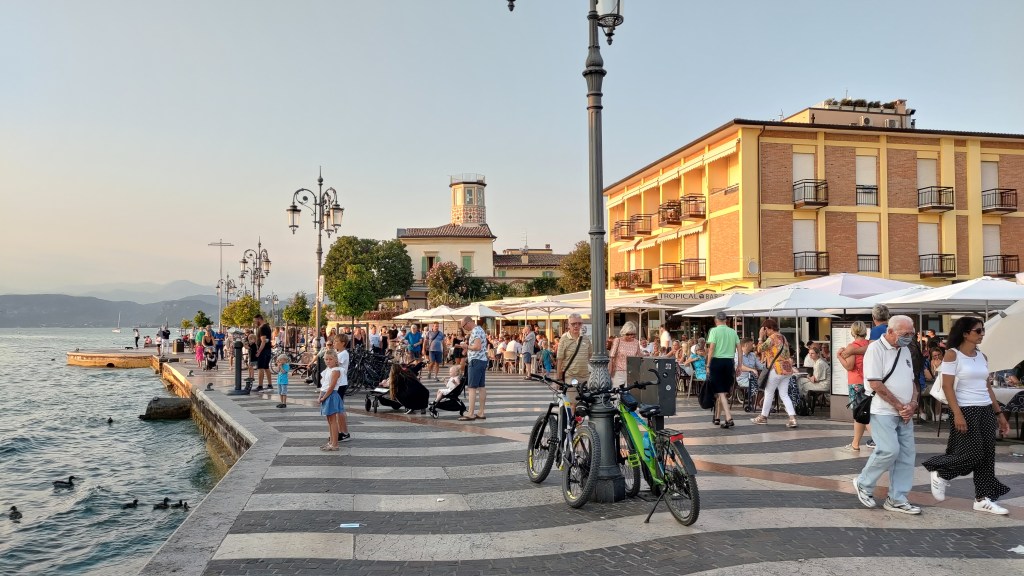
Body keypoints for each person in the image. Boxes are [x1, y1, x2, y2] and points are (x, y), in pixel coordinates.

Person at [923, 317, 1011, 515]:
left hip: (985, 409)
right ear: (965, 333)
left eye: (982, 331)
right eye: (978, 331)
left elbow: (987, 386)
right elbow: (947, 386)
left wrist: (999, 414)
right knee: (973, 453)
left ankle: (983, 498)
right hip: (966, 409)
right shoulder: (952, 355)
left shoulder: (982, 356)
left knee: (987, 455)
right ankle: (941, 473)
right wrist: (957, 414)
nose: (982, 334)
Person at [852, 315, 922, 515]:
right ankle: (864, 483)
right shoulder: (875, 349)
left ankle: (897, 498)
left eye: (911, 333)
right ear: (889, 332)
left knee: (907, 455)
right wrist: (900, 405)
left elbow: (912, 381)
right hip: (883, 410)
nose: (909, 337)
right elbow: (875, 383)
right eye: (904, 334)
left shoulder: (906, 350)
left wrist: (913, 403)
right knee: (889, 450)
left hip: (904, 412)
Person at [751, 319, 798, 428]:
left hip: (776, 369)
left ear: (767, 328)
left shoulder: (772, 338)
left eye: (765, 330)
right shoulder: (783, 337)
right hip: (787, 369)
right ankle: (792, 418)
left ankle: (763, 417)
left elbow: (759, 349)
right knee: (784, 394)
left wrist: (760, 337)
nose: (765, 332)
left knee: (769, 392)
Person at [838, 321, 873, 452]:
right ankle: (855, 443)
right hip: (868, 380)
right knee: (863, 412)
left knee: (861, 412)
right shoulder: (869, 344)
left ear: (852, 332)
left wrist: (838, 356)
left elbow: (849, 365)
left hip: (856, 382)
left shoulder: (852, 346)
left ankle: (877, 440)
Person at [706, 311, 740, 428]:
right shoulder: (733, 331)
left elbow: (711, 349)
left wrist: (708, 365)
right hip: (729, 362)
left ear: (716, 320)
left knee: (720, 392)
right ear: (726, 320)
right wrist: (739, 365)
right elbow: (739, 350)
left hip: (717, 361)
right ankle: (717, 417)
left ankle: (729, 417)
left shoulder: (714, 331)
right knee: (723, 392)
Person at [557, 313, 593, 405]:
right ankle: (572, 419)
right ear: (568, 325)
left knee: (588, 404)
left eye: (579, 323)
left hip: (585, 376)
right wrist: (558, 379)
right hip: (571, 376)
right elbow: (560, 359)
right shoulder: (564, 338)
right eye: (573, 324)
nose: (576, 326)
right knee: (573, 403)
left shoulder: (586, 339)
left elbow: (590, 357)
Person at [459, 316, 488, 421]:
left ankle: (471, 413)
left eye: (463, 326)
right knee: (481, 387)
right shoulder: (480, 329)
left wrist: (466, 346)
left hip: (476, 360)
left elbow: (477, 347)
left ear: (467, 323)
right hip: (482, 360)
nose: (464, 328)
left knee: (472, 387)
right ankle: (481, 412)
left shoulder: (475, 331)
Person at [317, 352, 343, 451]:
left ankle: (335, 444)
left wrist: (324, 397)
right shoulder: (328, 369)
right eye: (326, 359)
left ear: (335, 360)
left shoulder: (336, 370)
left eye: (330, 359)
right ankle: (331, 442)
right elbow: (324, 385)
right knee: (329, 421)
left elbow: (331, 386)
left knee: (333, 421)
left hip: (331, 395)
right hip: (326, 395)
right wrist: (320, 396)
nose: (328, 361)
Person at [609, 321, 642, 388]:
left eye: (633, 334)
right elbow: (611, 357)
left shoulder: (636, 342)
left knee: (630, 394)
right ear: (624, 333)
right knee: (618, 395)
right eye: (628, 334)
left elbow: (639, 356)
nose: (631, 336)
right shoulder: (617, 341)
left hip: (631, 372)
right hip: (618, 372)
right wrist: (609, 373)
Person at [334, 335, 352, 440]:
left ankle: (344, 432)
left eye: (337, 341)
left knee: (339, 409)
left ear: (343, 343)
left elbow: (333, 364)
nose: (334, 343)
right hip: (338, 383)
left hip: (340, 383)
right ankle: (341, 431)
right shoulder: (339, 353)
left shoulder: (343, 354)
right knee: (338, 409)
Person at [735, 338, 763, 405]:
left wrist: (770, 366)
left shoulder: (753, 355)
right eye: (751, 344)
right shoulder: (736, 355)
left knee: (767, 384)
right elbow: (740, 366)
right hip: (743, 379)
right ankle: (758, 404)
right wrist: (751, 369)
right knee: (759, 384)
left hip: (754, 378)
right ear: (746, 345)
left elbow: (760, 366)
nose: (753, 346)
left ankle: (760, 404)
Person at [254, 315, 273, 392]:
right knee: (266, 367)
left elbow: (263, 341)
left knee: (260, 368)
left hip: (263, 351)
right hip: (268, 350)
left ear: (259, 319)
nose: (255, 322)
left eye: (255, 321)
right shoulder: (267, 327)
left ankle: (260, 385)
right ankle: (269, 384)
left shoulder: (262, 328)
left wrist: (259, 351)